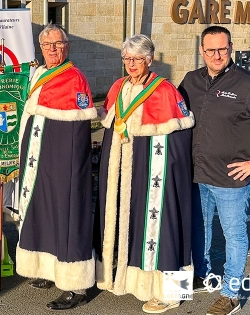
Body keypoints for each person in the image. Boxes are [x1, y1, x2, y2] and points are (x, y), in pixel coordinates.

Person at [94, 34, 195, 314]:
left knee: (162, 224)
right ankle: (127, 278)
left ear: (150, 59)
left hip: (153, 169)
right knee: (127, 222)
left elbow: (178, 139)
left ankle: (171, 292)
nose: (132, 63)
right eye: (127, 58)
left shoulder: (164, 90)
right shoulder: (119, 86)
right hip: (122, 170)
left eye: (138, 58)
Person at [15, 23, 96, 310]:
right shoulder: (40, 72)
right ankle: (49, 268)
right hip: (40, 158)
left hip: (62, 161)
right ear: (40, 47)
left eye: (57, 44)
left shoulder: (74, 78)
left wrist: (69, 170)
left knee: (66, 214)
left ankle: (75, 285)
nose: (52, 49)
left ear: (67, 46)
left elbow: (76, 133)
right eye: (47, 45)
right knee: (44, 212)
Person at [178, 26, 250, 315]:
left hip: (231, 177)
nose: (216, 55)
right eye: (211, 50)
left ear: (230, 47)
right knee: (200, 228)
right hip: (196, 174)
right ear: (201, 51)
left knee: (234, 234)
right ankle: (206, 273)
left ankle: (231, 293)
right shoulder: (190, 81)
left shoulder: (245, 83)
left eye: (222, 49)